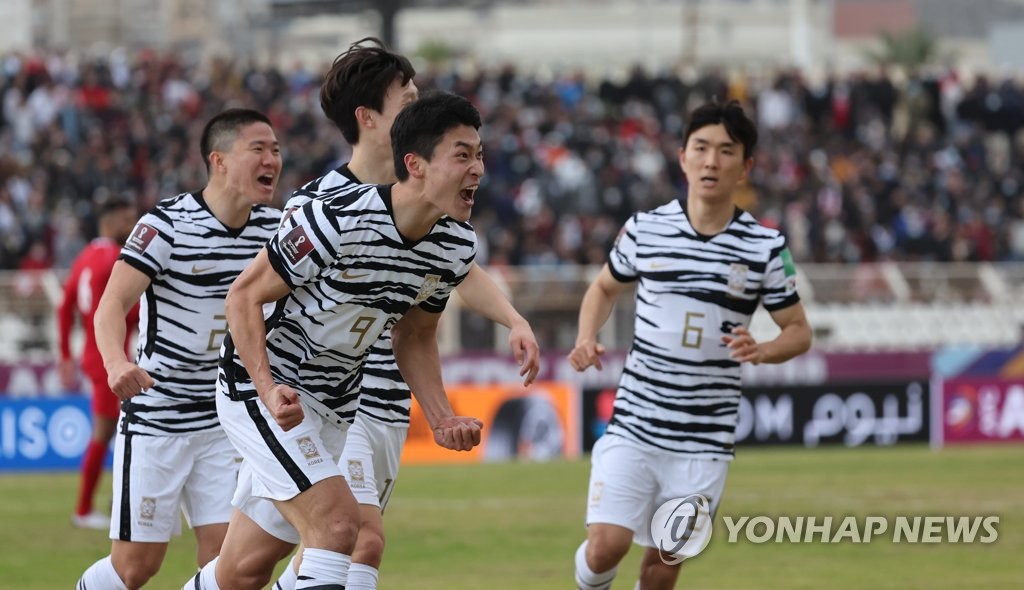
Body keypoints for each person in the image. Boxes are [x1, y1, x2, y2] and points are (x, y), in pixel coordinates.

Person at [185, 39, 540, 590]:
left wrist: (442, 414)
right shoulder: (329, 214)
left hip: (337, 404)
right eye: (463, 155)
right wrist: (266, 383)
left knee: (243, 572)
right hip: (267, 392)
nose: (479, 170)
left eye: (479, 154)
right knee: (341, 531)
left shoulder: (453, 243)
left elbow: (416, 335)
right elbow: (243, 296)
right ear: (408, 154)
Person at [568, 99, 812, 590]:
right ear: (682, 157)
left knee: (663, 568)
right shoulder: (645, 229)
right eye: (701, 148)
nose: (711, 161)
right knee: (605, 547)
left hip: (705, 441)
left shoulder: (766, 247)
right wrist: (586, 336)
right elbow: (603, 288)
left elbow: (799, 330)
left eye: (726, 151)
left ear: (744, 167)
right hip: (636, 423)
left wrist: (762, 349)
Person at [75, 108, 283, 590]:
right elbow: (111, 304)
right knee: (135, 567)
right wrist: (116, 362)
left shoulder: (276, 230)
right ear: (220, 160)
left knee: (229, 565)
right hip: (158, 416)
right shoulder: (166, 225)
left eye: (275, 149)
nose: (272, 158)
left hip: (225, 419)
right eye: (258, 148)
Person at [57, 196, 139, 530]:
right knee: (111, 432)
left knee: (119, 431)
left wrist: (65, 354)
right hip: (110, 355)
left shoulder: (85, 257)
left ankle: (115, 502)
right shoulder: (115, 259)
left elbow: (64, 308)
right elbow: (123, 310)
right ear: (113, 220)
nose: (134, 225)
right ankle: (86, 508)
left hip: (94, 353)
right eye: (128, 218)